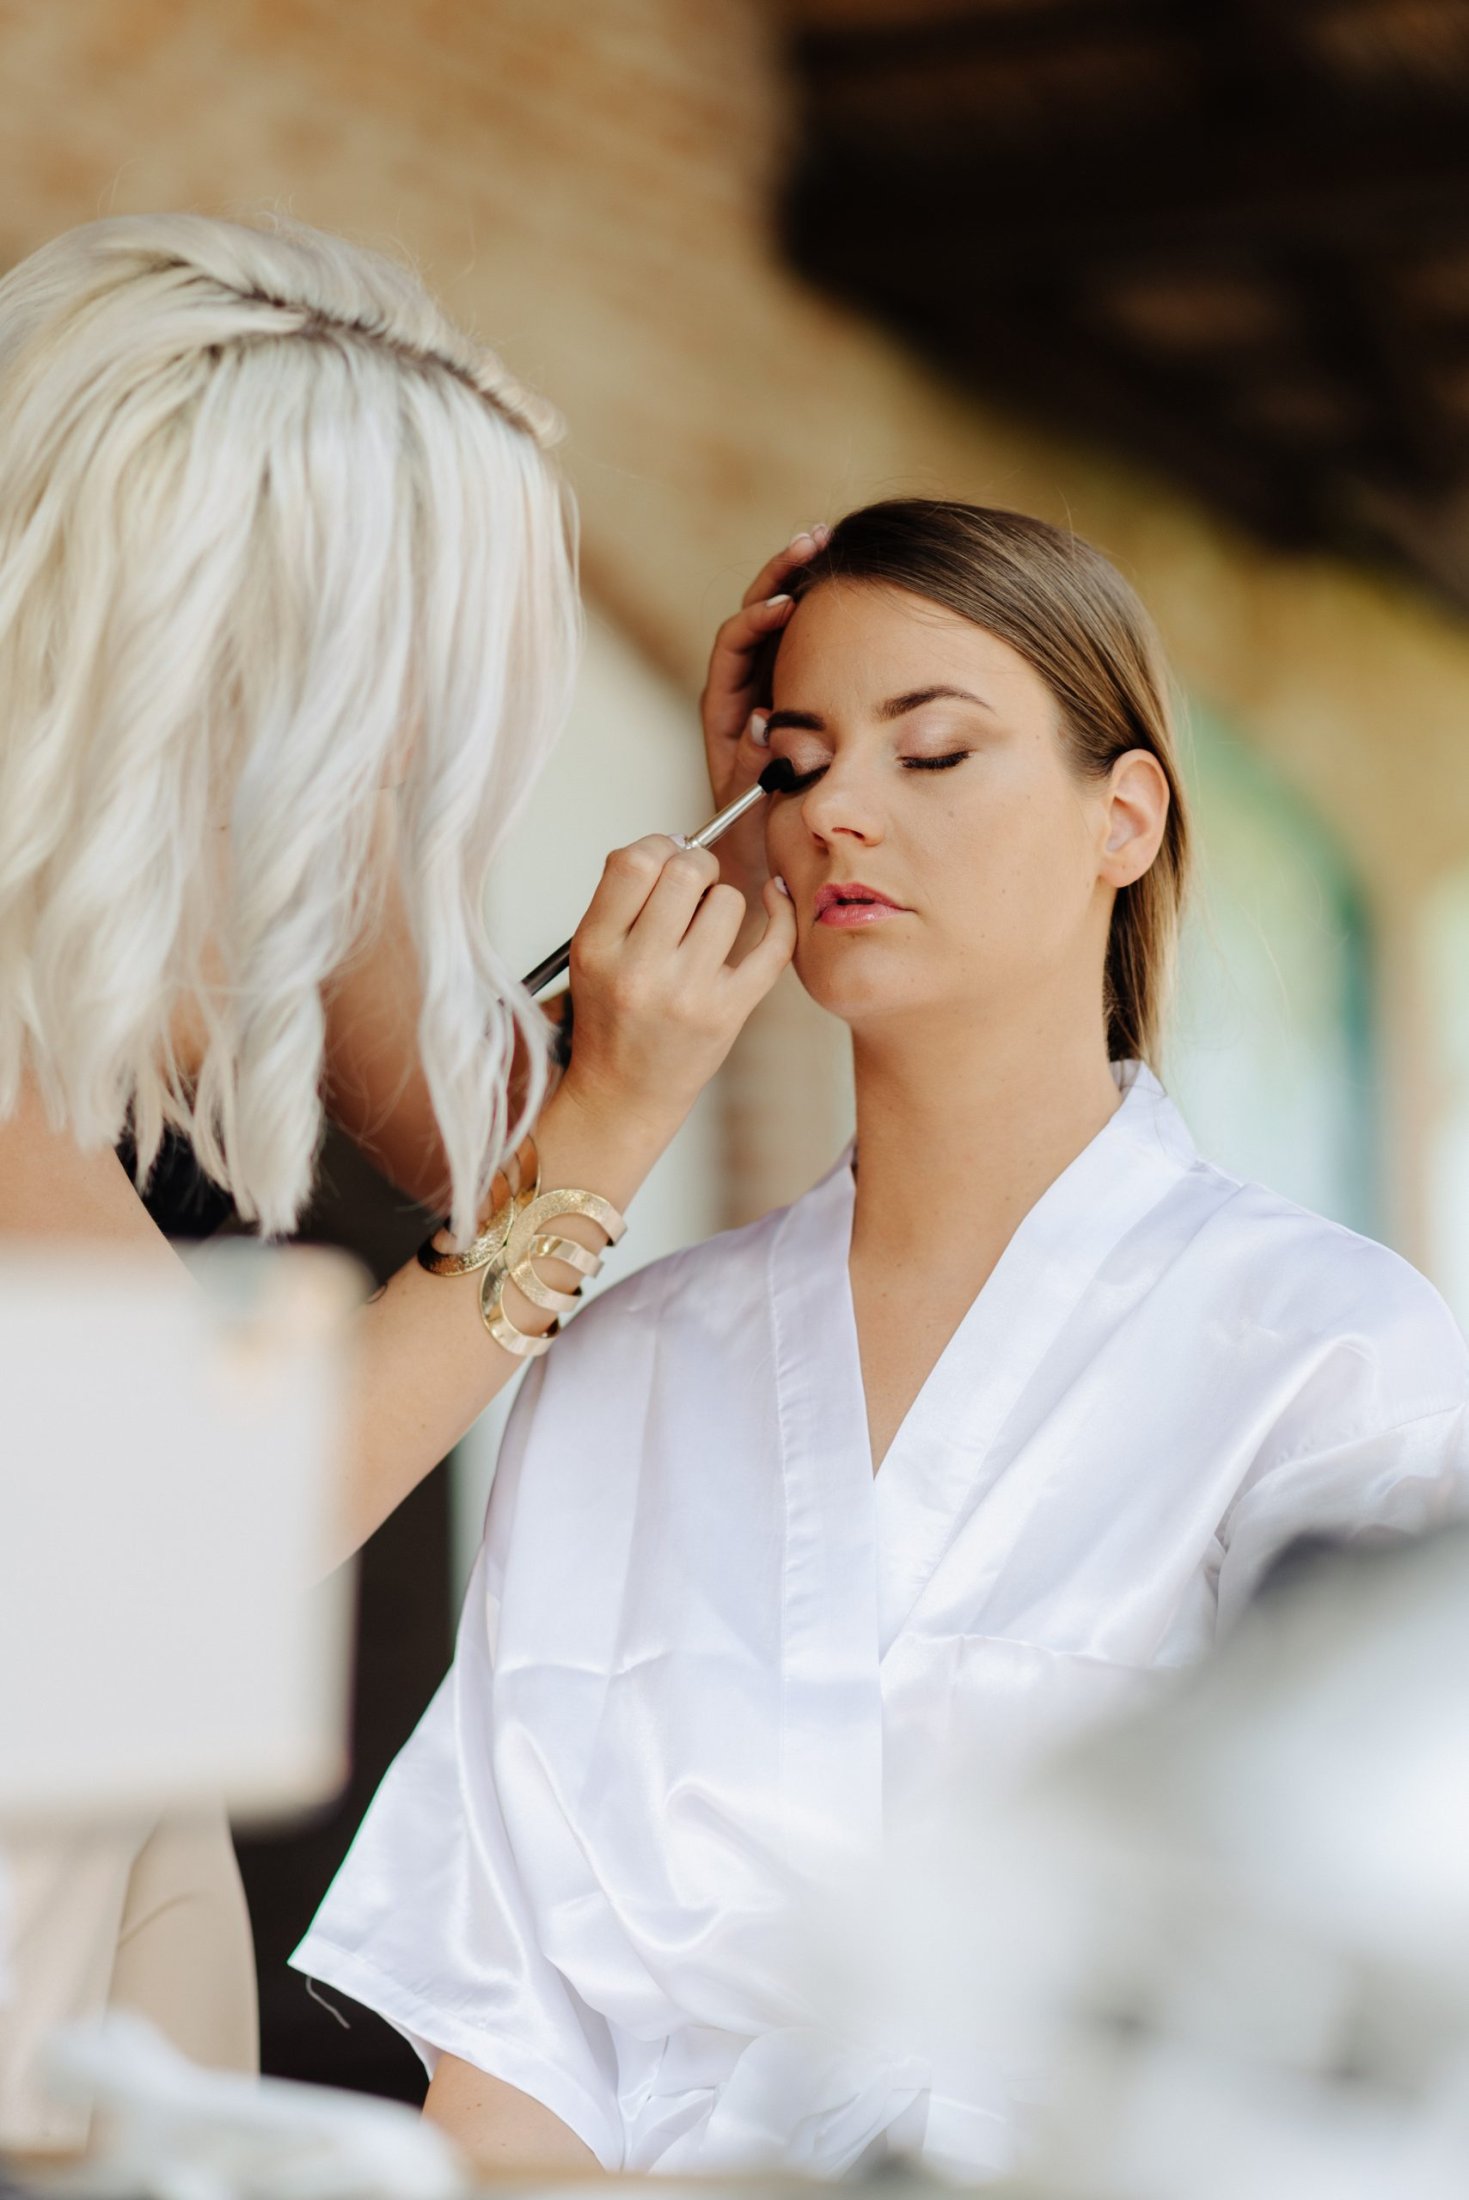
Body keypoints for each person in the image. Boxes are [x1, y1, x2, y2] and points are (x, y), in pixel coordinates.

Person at [293, 498, 1469, 2182]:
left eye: (933, 753)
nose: (839, 807)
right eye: (794, 763)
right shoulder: (624, 1365)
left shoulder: (1330, 1356)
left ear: (1122, 816)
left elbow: (1343, 2024)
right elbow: (504, 2062)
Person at [0, 210, 798, 2149]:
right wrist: (597, 1152)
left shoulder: (264, 864)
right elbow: (188, 1542)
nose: (427, 751)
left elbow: (478, 1133)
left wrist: (740, 834)